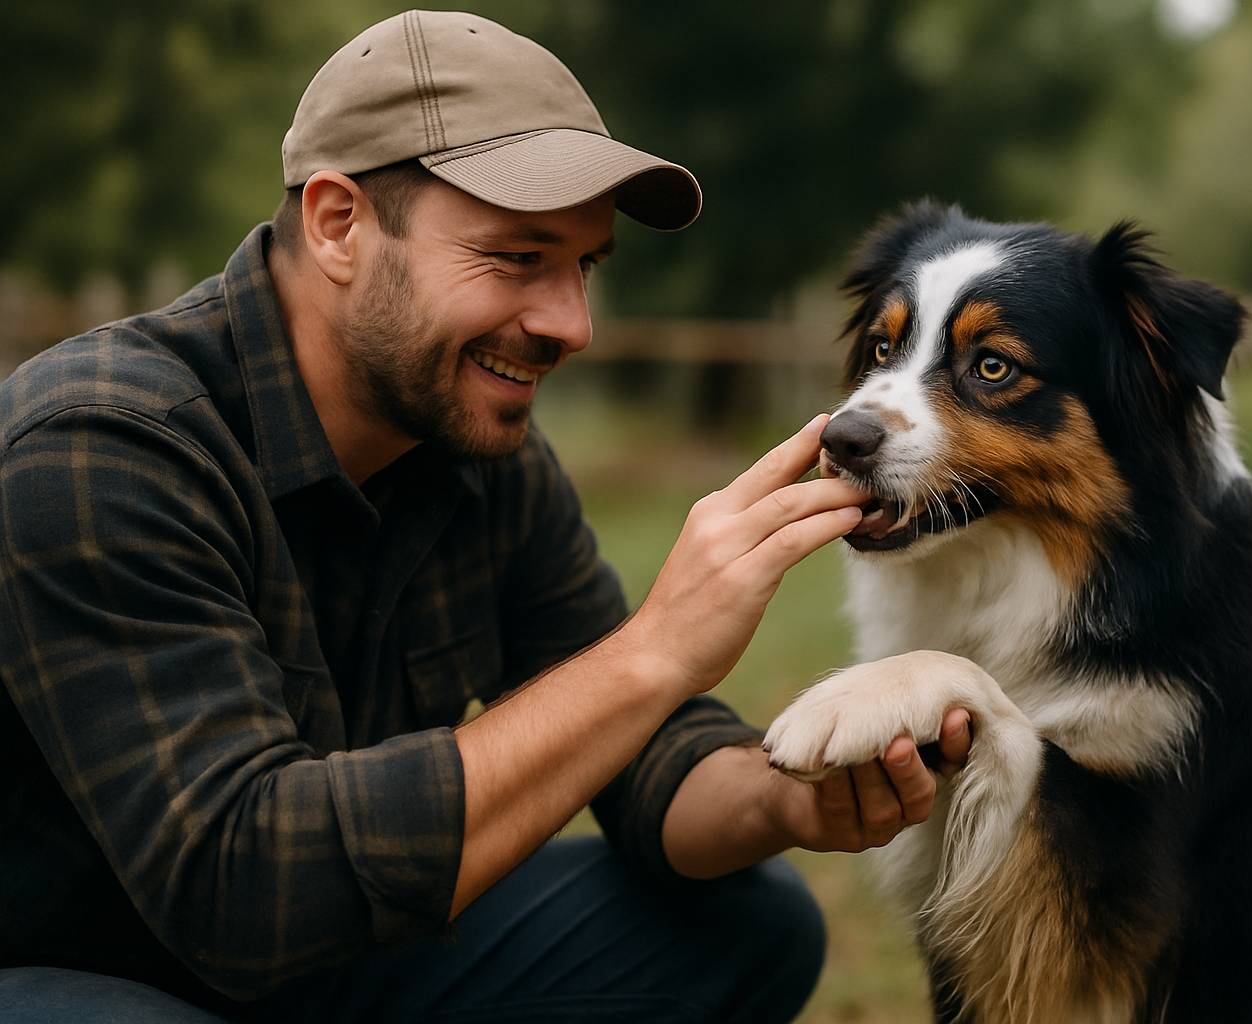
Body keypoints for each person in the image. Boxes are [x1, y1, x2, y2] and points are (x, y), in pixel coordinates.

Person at [0, 12, 972, 1022]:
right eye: (517, 258)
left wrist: (788, 795)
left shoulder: (468, 443)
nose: (571, 324)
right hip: (68, 972)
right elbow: (247, 890)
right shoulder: (101, 446)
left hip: (318, 966)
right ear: (338, 225)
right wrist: (653, 652)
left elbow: (646, 759)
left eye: (584, 267)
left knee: (751, 920)